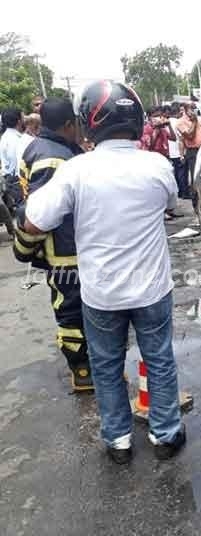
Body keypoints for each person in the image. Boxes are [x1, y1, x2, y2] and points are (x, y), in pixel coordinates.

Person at [22, 81, 186, 464]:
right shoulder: (157, 165)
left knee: (107, 366)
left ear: (89, 122)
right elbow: (172, 203)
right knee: (159, 359)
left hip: (100, 293)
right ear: (136, 119)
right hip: (152, 289)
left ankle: (118, 442)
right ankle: (166, 435)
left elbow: (34, 222)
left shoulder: (76, 170)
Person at [13, 97, 91, 391]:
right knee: (72, 311)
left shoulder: (40, 147)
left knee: (76, 308)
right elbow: (40, 211)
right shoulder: (53, 158)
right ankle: (82, 369)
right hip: (65, 249)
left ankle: (87, 365)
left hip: (65, 246)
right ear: (69, 125)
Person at [176, 103, 201, 209]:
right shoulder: (180, 123)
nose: (193, 111)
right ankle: (197, 206)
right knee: (196, 178)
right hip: (193, 152)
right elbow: (189, 136)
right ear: (185, 110)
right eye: (191, 109)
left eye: (194, 108)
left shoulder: (200, 119)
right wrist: (194, 122)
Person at [0, 108, 23, 238]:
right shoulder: (14, 140)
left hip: (10, 178)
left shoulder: (6, 137)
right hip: (17, 178)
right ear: (19, 121)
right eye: (22, 116)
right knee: (23, 207)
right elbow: (18, 162)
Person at [167, 105, 190, 200]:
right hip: (179, 151)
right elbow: (181, 138)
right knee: (182, 173)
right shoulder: (178, 122)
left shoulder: (166, 122)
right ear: (177, 112)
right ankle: (184, 192)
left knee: (176, 172)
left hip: (170, 152)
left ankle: (179, 191)